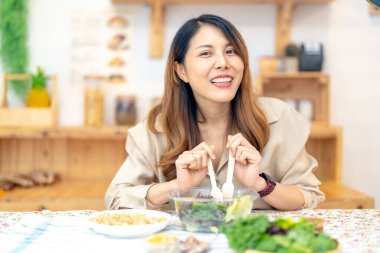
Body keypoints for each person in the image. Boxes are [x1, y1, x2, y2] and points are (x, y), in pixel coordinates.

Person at [105, 14, 325, 211]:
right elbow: (116, 200)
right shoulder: (155, 128)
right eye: (206, 53)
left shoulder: (279, 117)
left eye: (231, 51)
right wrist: (176, 187)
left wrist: (259, 184)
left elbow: (308, 196)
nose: (222, 62)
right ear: (181, 70)